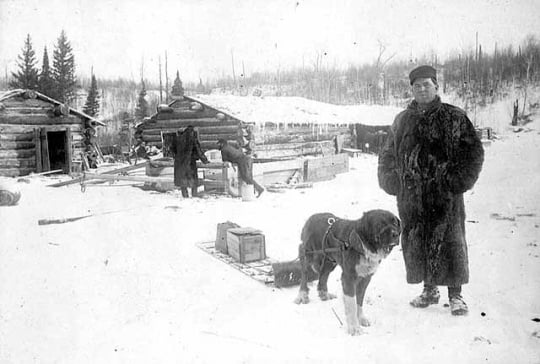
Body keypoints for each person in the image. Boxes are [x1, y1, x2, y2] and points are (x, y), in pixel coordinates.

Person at [377, 65, 484, 316]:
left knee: (450, 242)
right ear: (412, 90)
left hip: (444, 197)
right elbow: (387, 154)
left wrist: (456, 181)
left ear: (436, 86)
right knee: (418, 241)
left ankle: (456, 295)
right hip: (411, 197)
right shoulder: (402, 120)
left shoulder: (454, 116)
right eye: (417, 86)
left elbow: (474, 153)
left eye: (426, 84)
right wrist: (392, 180)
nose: (422, 89)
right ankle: (429, 290)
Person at [171, 126, 209, 197]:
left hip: (180, 163)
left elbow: (173, 149)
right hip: (189, 162)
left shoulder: (178, 138)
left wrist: (177, 157)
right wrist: (205, 160)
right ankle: (194, 195)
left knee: (182, 180)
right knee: (193, 179)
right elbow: (198, 150)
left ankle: (185, 196)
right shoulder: (193, 139)